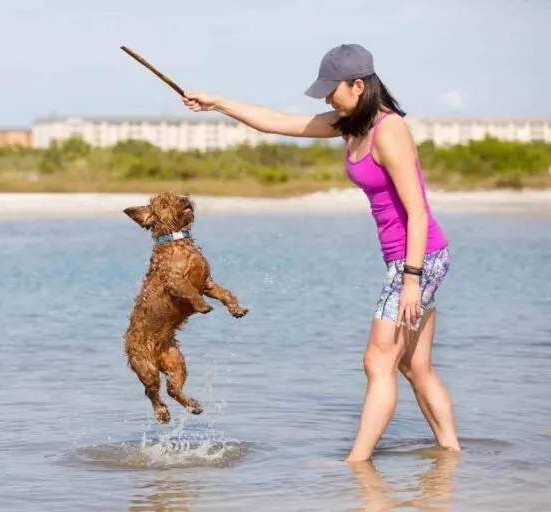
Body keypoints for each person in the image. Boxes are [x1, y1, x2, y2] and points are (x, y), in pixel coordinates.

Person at [180, 43, 461, 462]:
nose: (327, 98)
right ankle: (451, 457)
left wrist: (411, 281)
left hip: (416, 258)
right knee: (414, 366)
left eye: (332, 90)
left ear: (359, 85)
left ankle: (357, 465)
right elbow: (275, 122)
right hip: (410, 259)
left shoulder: (390, 130)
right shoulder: (350, 124)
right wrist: (218, 102)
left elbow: (418, 212)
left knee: (377, 362)